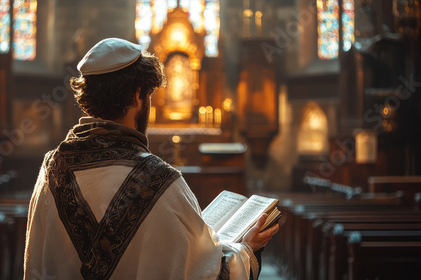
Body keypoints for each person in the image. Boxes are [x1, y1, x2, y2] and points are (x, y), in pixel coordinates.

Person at [23, 38, 279, 280]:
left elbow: (37, 262)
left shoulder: (51, 169)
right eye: (148, 94)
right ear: (137, 95)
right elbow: (205, 272)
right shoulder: (160, 180)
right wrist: (245, 249)